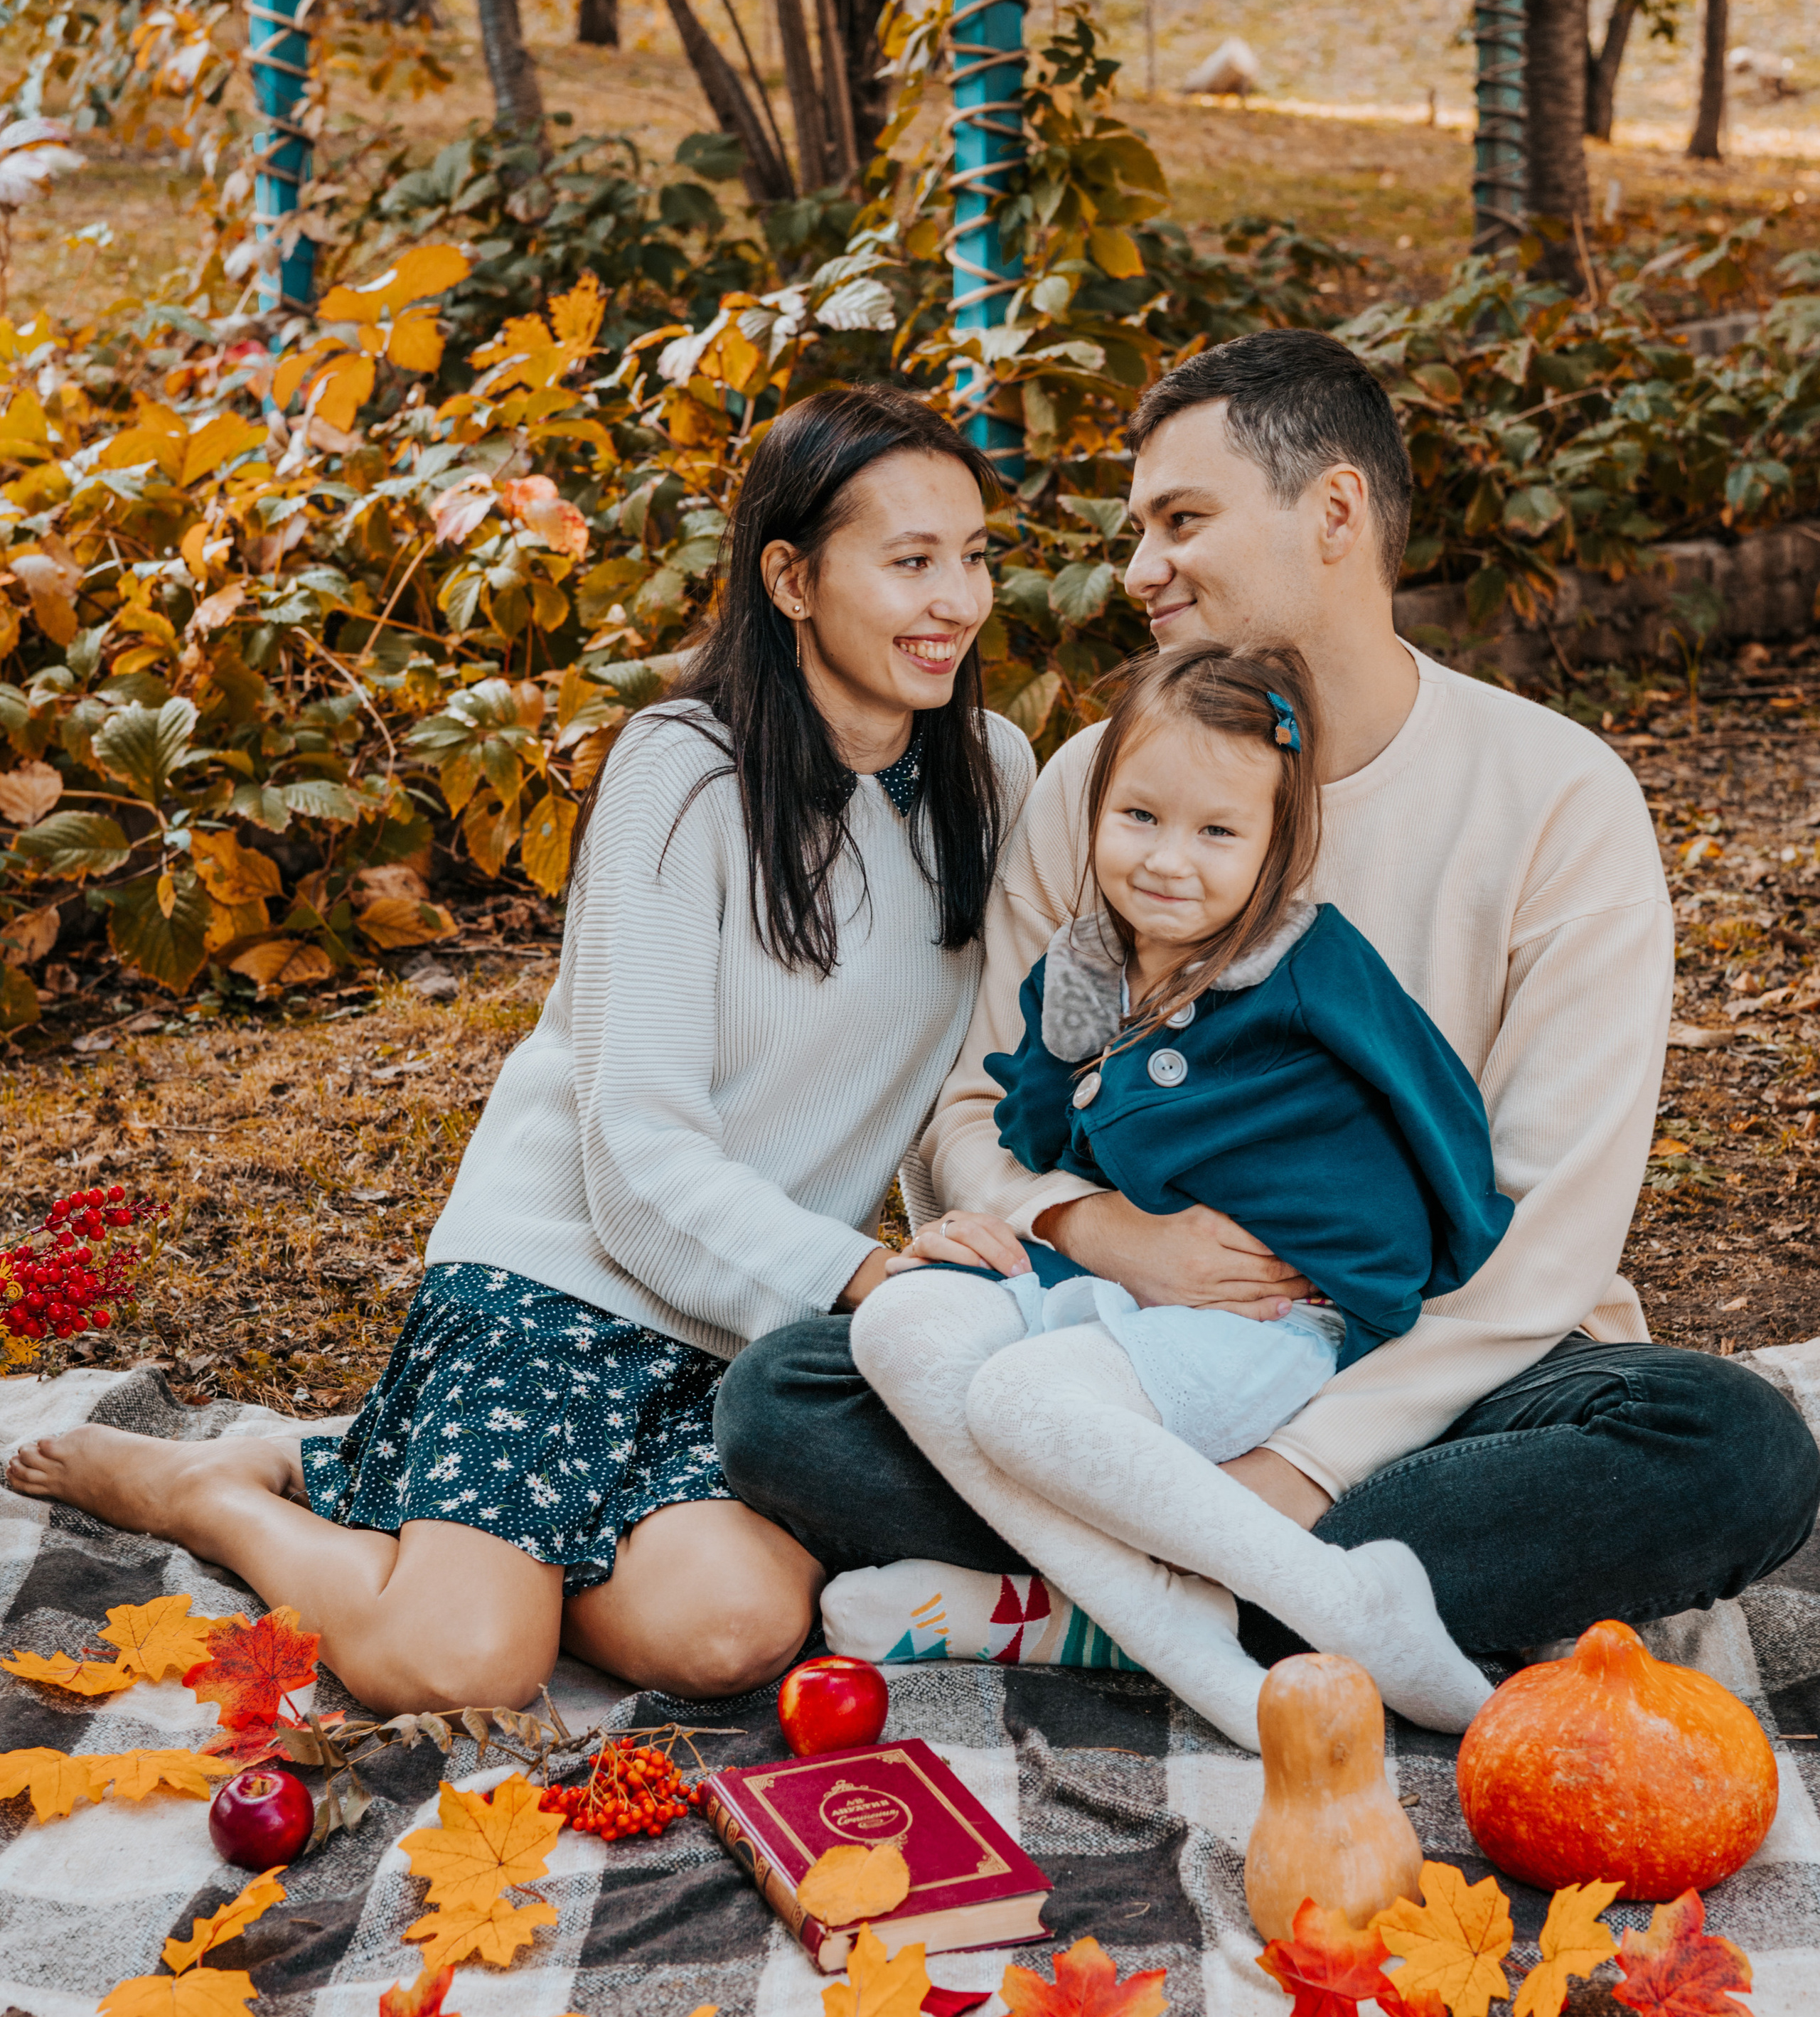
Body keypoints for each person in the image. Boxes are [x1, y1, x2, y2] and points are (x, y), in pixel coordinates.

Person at [717, 331, 1820, 1681]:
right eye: (1139, 529)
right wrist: (1103, 1229)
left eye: (1184, 520)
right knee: (785, 1399)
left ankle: (1104, 1605)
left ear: (1336, 512)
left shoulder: (1556, 796)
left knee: (1736, 1447)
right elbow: (973, 1112)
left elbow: (1550, 1236)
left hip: (1443, 1369)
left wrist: (1301, 1464)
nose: (1139, 569)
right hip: (1110, 1353)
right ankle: (1274, 1600)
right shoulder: (1095, 788)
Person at [5, 387, 1034, 1716]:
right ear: (789, 576)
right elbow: (637, 1152)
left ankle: (402, 1498)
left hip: (749, 1325)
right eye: (910, 562)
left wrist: (964, 1270)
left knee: (730, 1633)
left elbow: (983, 1075)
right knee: (461, 1666)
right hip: (564, 1277)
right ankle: (219, 1493)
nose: (955, 599)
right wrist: (873, 1277)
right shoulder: (685, 772)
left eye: (974, 557)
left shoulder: (993, 773)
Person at [828, 639, 1511, 1745]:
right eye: (1139, 816)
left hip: (1272, 1313)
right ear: (1097, 805)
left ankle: (1328, 1607)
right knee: (895, 1326)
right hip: (1114, 1289)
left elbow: (1437, 1109)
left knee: (1021, 1406)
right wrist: (1037, 1212)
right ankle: (1180, 1618)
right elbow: (1034, 1121)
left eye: (1217, 833)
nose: (1166, 861)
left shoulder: (1307, 962)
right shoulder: (1088, 963)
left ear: (1277, 849)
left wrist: (1396, 1281)